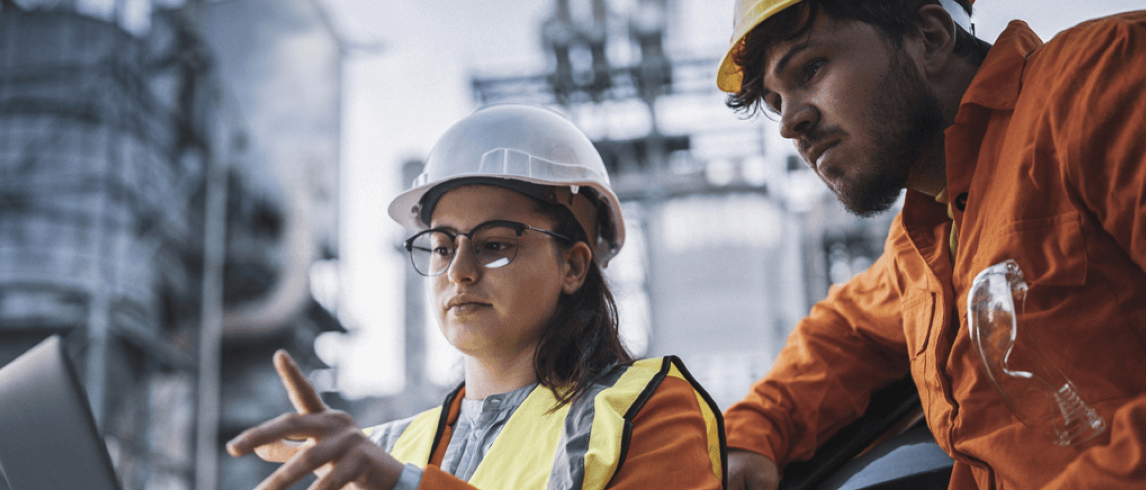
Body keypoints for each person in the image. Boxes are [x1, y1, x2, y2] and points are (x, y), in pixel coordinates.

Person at [713, 0, 1146, 488]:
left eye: (811, 68)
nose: (791, 123)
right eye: (775, 102)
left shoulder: (1101, 79)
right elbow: (846, 334)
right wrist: (753, 431)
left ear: (931, 37)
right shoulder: (926, 239)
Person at [224, 104, 727, 490]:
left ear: (573, 266)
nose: (459, 271)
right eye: (441, 247)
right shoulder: (392, 449)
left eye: (495, 245)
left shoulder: (645, 412)